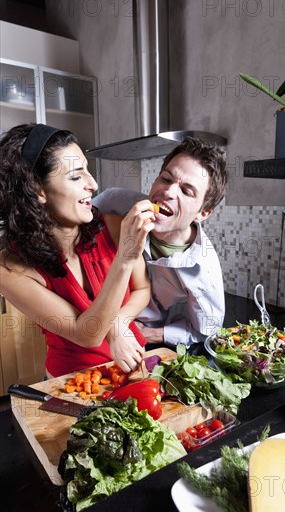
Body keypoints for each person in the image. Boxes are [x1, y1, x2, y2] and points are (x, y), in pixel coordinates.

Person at [0, 123, 157, 377]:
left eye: (87, 170)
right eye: (76, 176)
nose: (93, 184)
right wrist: (125, 259)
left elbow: (142, 288)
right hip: (73, 383)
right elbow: (88, 334)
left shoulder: (115, 226)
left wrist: (118, 324)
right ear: (38, 190)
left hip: (135, 363)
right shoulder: (10, 269)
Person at [93, 136, 228, 347]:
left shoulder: (203, 270)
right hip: (87, 320)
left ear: (203, 213)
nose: (168, 191)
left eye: (186, 191)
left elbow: (206, 332)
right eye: (166, 179)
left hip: (137, 341)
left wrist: (150, 334)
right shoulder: (114, 203)